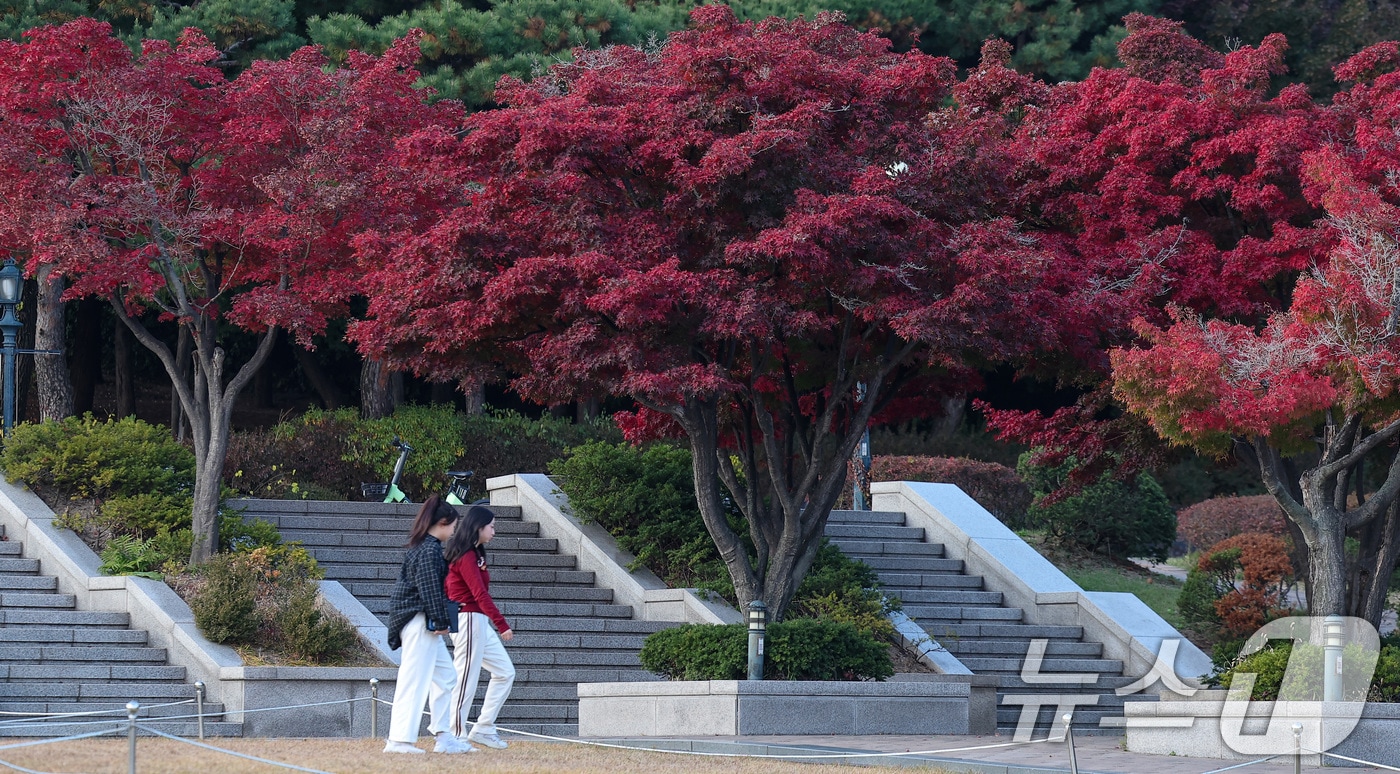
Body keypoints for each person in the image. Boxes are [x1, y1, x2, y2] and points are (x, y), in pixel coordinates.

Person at [382, 496, 475, 755]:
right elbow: (429, 589)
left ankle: (444, 737)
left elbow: (429, 589)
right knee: (414, 680)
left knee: (445, 677)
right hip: (419, 621)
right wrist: (441, 620)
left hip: (419, 620)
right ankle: (399, 741)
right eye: (453, 525)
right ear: (443, 523)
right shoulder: (429, 550)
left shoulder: (425, 547)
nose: (455, 530)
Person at [444, 504, 516, 750]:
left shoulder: (475, 554)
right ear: (479, 527)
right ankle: (455, 735)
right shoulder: (465, 555)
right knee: (465, 679)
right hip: (468, 620)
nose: (494, 531)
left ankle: (483, 728)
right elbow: (479, 593)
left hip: (478, 621)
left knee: (505, 672)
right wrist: (502, 624)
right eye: (491, 526)